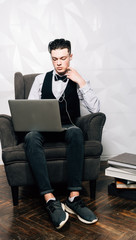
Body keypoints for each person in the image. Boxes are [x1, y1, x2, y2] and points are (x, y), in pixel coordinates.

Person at [24, 38, 100, 229]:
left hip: (68, 127)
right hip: (43, 128)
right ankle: (50, 199)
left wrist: (81, 81)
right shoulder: (40, 80)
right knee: (31, 137)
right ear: (51, 58)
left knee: (76, 133)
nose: (58, 62)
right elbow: (29, 109)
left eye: (63, 58)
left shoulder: (78, 80)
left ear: (70, 57)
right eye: (55, 58)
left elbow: (96, 109)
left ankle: (74, 198)